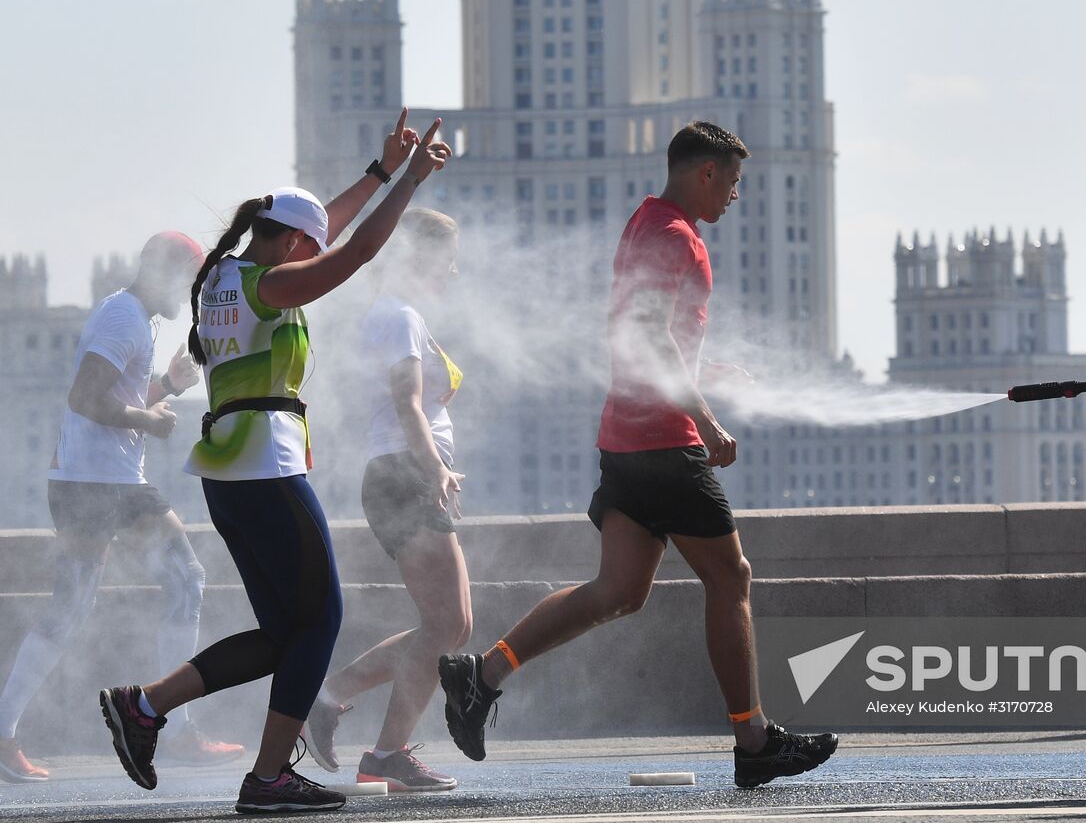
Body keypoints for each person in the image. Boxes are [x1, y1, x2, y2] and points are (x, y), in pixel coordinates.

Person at [438, 121, 838, 789]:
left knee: (618, 590)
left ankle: (482, 675)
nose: (736, 194)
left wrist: (706, 375)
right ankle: (754, 738)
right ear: (704, 171)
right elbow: (648, 332)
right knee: (731, 578)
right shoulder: (673, 233)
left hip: (625, 437)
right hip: (662, 440)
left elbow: (644, 335)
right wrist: (705, 421)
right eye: (733, 180)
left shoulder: (646, 222)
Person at [98, 110, 452, 814]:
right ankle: (267, 778)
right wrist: (409, 181)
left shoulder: (223, 276)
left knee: (281, 634)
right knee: (322, 616)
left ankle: (145, 708)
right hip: (265, 466)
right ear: (290, 242)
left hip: (228, 475)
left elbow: (330, 228)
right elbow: (351, 253)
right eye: (306, 247)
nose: (312, 255)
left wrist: (379, 173)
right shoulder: (268, 286)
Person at [0, 233, 244, 783]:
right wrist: (150, 422)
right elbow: (85, 397)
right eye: (188, 280)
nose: (190, 295)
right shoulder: (124, 317)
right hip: (101, 484)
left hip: (86, 481)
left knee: (73, 609)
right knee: (185, 577)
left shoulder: (134, 317)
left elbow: (112, 395)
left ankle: (4, 734)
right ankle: (175, 729)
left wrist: (166, 386)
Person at [301, 208, 469, 792]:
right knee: (445, 625)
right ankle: (379, 749)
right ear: (420, 257)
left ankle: (330, 703)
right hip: (405, 476)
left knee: (453, 626)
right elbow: (408, 404)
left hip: (409, 474)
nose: (453, 270)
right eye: (448, 257)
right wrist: (436, 470)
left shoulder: (403, 316)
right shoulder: (398, 316)